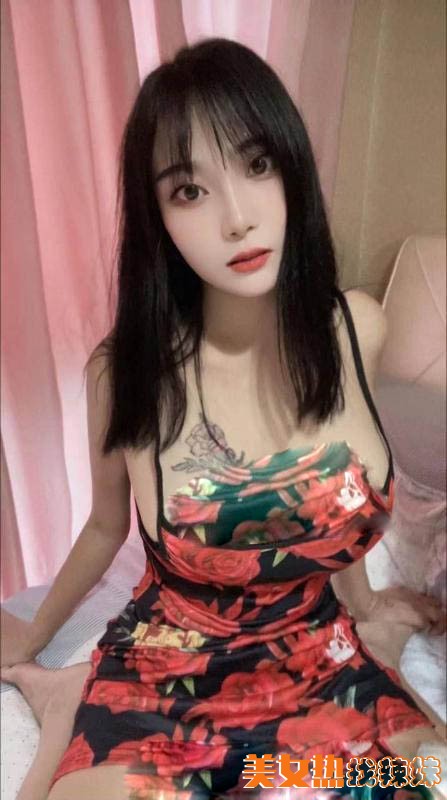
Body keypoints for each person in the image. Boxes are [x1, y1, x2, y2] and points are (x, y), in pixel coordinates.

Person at [1, 37, 446, 800]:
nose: (237, 218)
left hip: (318, 665)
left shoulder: (356, 330)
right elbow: (106, 526)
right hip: (166, 673)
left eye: (256, 164)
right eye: (189, 191)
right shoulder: (127, 373)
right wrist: (33, 634)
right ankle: (69, 697)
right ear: (158, 218)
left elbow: (334, 493)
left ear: (291, 166)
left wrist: (367, 607)